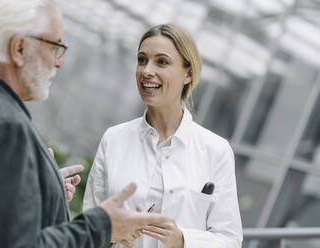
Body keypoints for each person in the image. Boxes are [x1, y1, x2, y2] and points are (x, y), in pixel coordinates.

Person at [0, 1, 172, 247]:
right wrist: (102, 226)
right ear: (19, 48)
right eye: (55, 46)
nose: (59, 62)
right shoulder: (5, 127)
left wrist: (42, 188)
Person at [83, 24, 243, 247]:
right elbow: (89, 225)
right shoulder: (114, 139)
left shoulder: (216, 150)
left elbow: (230, 240)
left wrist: (183, 240)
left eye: (162, 62)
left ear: (187, 73)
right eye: (142, 60)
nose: (147, 70)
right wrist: (110, 235)